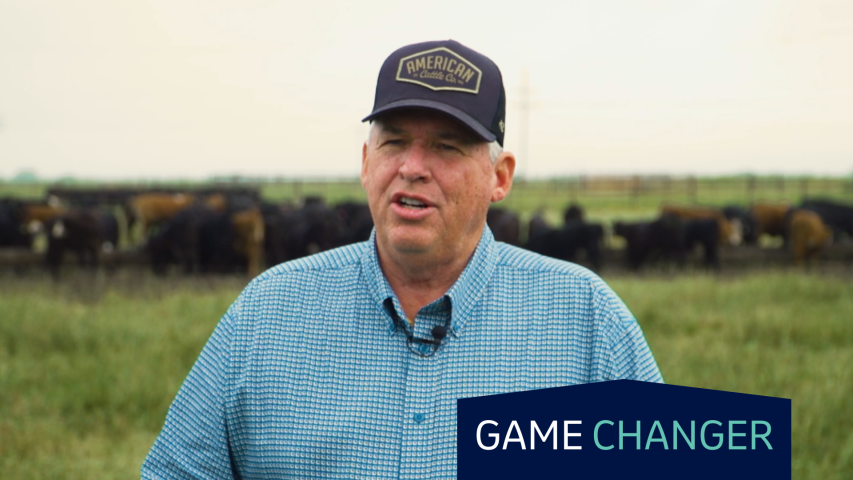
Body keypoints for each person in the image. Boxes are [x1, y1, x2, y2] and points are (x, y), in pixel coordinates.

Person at [141, 39, 662, 479]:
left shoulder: (587, 323)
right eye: (393, 142)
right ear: (367, 163)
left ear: (499, 177)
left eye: (446, 147)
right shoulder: (267, 314)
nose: (412, 166)